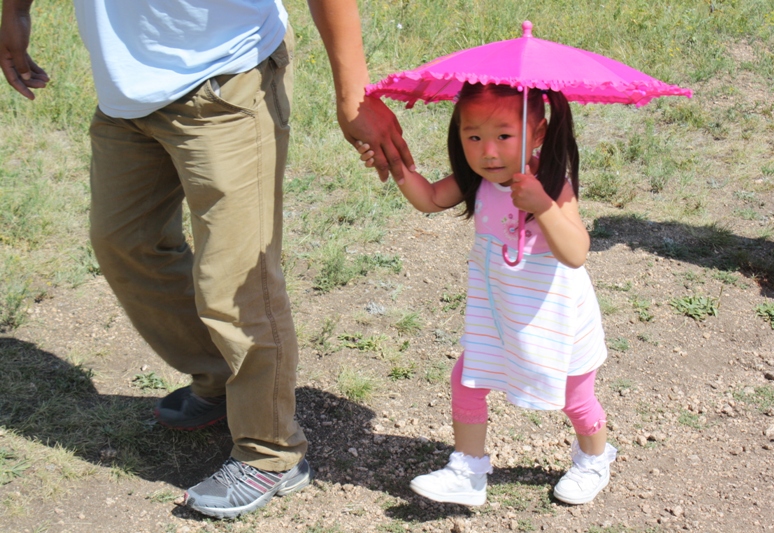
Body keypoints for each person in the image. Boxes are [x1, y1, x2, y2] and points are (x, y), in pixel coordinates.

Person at [0, 0, 413, 520]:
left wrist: (353, 96)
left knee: (238, 282)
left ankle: (271, 451)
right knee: (126, 245)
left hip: (225, 80)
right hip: (126, 88)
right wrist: (15, 11)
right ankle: (223, 380)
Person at [357, 82, 616, 506]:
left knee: (576, 396)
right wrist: (396, 167)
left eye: (503, 136)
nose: (487, 151)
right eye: (473, 136)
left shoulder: (551, 184)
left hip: (555, 315)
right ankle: (468, 469)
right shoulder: (476, 182)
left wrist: (544, 205)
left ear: (538, 133)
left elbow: (576, 252)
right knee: (468, 378)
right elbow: (429, 199)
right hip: (498, 310)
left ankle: (594, 458)